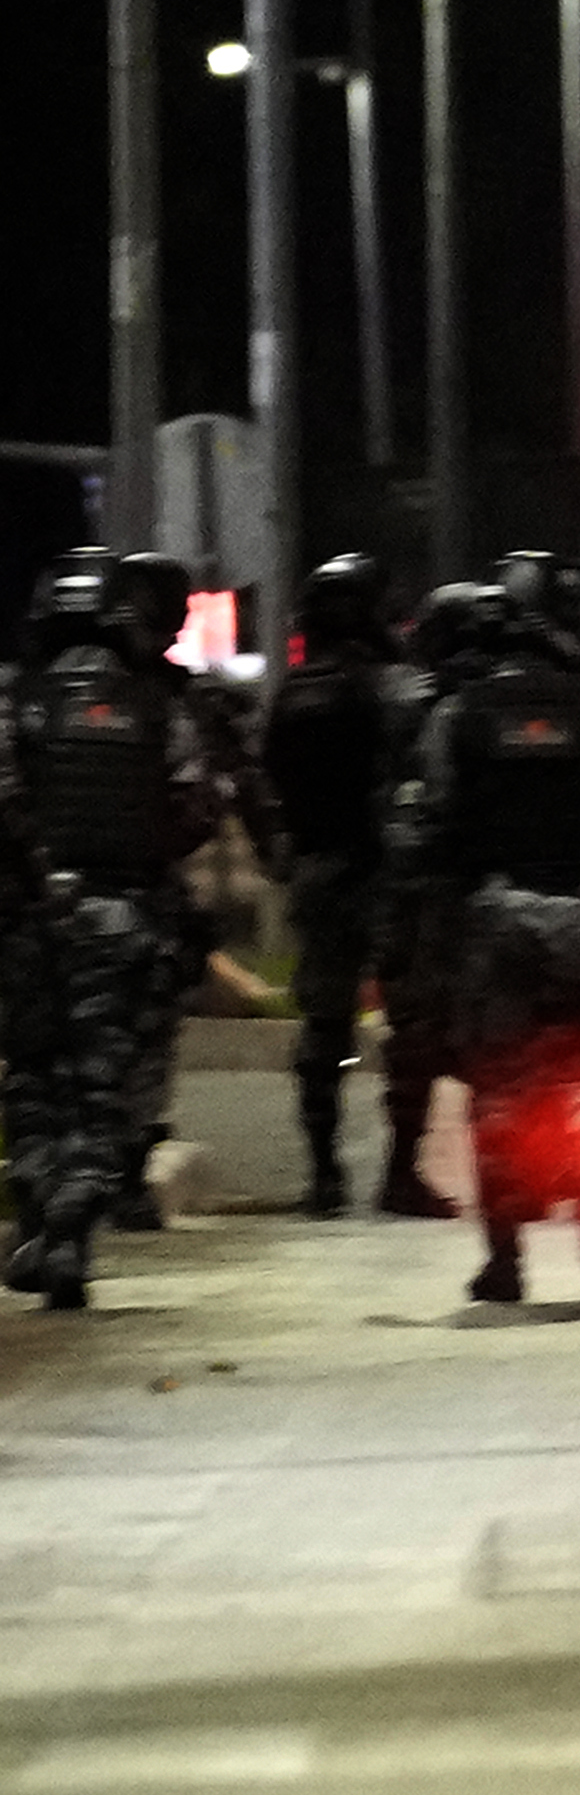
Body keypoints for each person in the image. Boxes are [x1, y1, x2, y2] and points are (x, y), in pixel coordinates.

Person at [386, 556, 580, 1305]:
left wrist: (426, 920)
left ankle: (505, 1257)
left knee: (497, 1088)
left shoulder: (458, 715)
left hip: (495, 924)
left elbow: (419, 828)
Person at [3, 551, 236, 1309]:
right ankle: (74, 1216)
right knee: (104, 1084)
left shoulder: (14, 698)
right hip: (126, 917)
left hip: (29, 923)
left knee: (34, 1074)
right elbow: (198, 807)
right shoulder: (156, 706)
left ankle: (40, 1205)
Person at [106, 551, 283, 1228]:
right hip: (139, 887)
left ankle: (94, 1169)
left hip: (69, 890)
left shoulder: (49, 689)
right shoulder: (180, 700)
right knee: (140, 1030)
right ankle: (118, 1166)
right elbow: (232, 786)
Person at [361, 580, 508, 1218]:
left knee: (417, 1036)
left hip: (413, 888)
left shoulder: (405, 701)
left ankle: (403, 1170)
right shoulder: (467, 702)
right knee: (490, 1031)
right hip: (459, 884)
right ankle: (498, 1174)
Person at [263, 553, 403, 1217]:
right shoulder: (388, 687)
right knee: (412, 1022)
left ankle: (323, 1173)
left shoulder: (293, 693)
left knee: (324, 1024)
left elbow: (269, 780)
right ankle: (402, 1170)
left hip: (319, 870)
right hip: (387, 872)